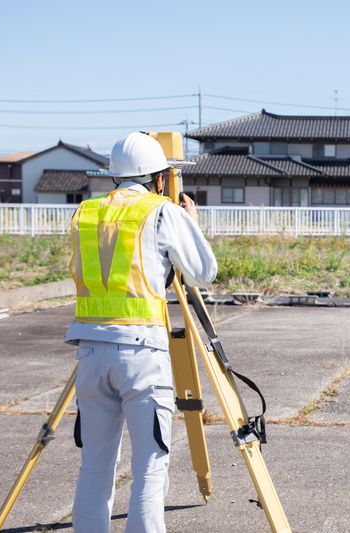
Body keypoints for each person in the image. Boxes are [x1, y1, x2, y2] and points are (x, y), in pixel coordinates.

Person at [65, 132, 218, 533]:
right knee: (151, 464)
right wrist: (190, 223)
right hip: (141, 354)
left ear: (114, 176)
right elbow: (203, 272)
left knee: (95, 464)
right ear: (161, 177)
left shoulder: (86, 213)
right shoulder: (161, 213)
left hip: (90, 353)